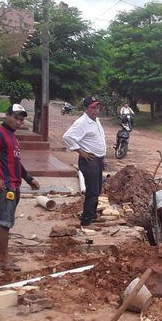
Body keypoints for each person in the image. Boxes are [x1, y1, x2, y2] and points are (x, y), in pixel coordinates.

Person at [0, 104, 40, 271]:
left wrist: (28, 178)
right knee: (4, 223)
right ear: (7, 115)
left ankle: (1, 256)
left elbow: (17, 163)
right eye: (15, 117)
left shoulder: (12, 138)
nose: (18, 122)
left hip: (13, 184)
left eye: (21, 120)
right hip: (6, 186)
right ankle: (3, 259)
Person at [63, 96, 107, 226]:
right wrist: (81, 152)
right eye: (93, 108)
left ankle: (92, 214)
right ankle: (86, 219)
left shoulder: (95, 120)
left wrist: (102, 157)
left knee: (97, 189)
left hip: (97, 159)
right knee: (92, 191)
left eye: (97, 107)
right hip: (89, 160)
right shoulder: (82, 122)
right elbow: (68, 137)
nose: (96, 110)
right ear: (86, 108)